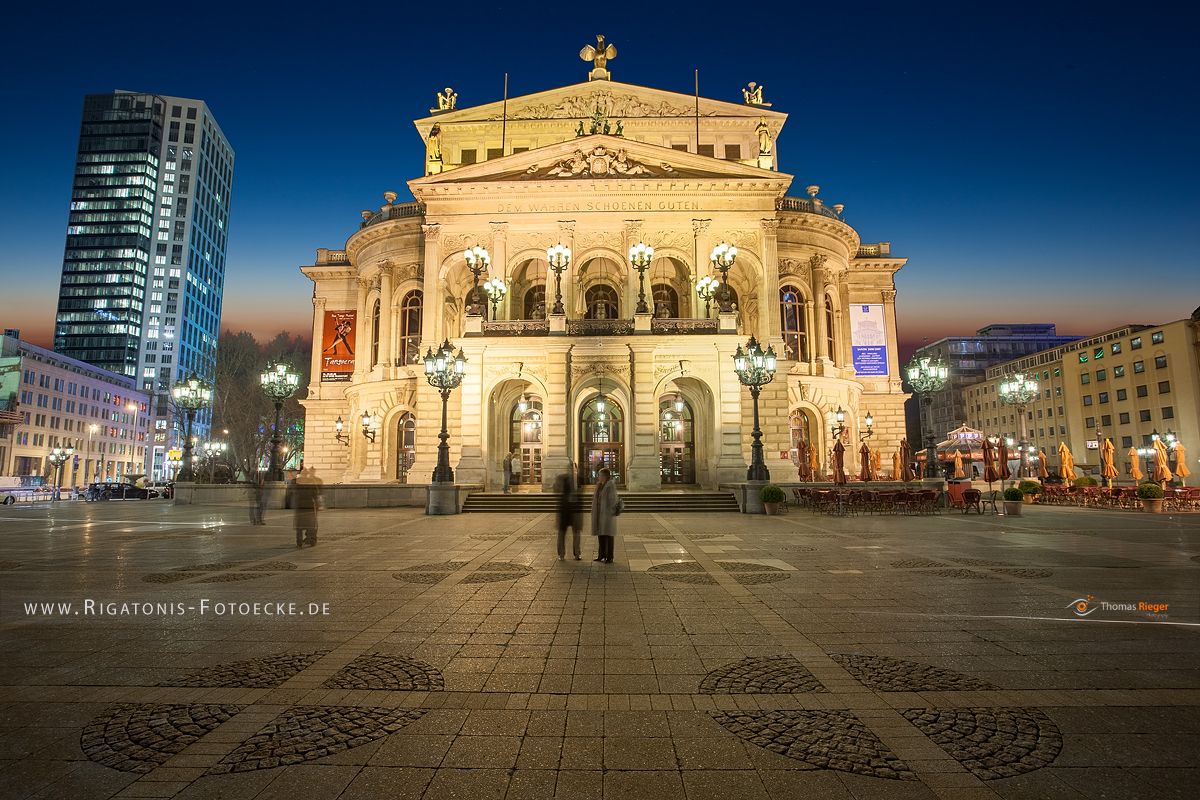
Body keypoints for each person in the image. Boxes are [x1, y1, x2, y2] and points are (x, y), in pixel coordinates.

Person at [591, 467, 620, 563]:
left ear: (605, 476)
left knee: (608, 535)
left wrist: (609, 509)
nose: (598, 477)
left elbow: (613, 500)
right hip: (599, 513)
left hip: (607, 514)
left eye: (600, 475)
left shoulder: (610, 485)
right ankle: (601, 555)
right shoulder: (599, 485)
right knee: (601, 534)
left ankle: (609, 557)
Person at [555, 465, 583, 561]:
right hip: (564, 509)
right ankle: (561, 554)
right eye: (570, 469)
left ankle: (577, 553)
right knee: (562, 533)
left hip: (576, 510)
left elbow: (581, 492)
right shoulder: (562, 478)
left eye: (574, 469)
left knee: (576, 533)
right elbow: (557, 491)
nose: (572, 471)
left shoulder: (579, 479)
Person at [292, 468, 323, 547]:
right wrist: (317, 505)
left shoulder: (297, 482)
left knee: (299, 526)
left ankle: (299, 541)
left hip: (300, 506)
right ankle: (312, 540)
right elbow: (315, 494)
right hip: (309, 506)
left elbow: (293, 492)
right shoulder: (311, 482)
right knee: (311, 524)